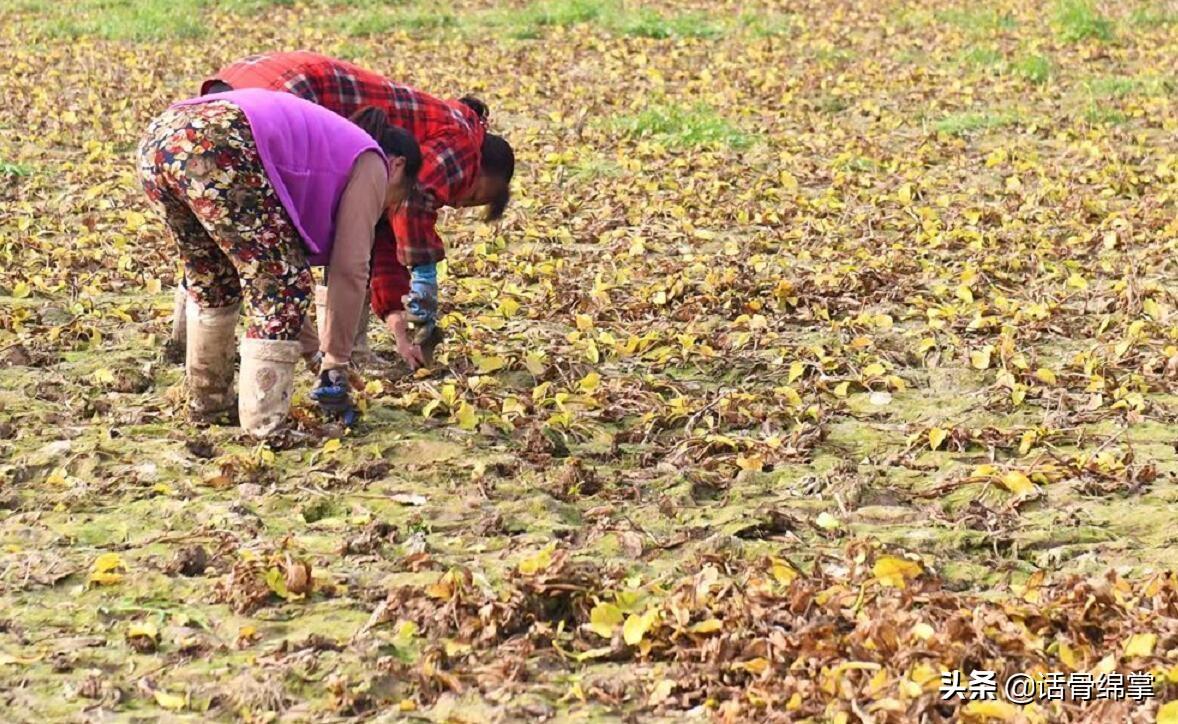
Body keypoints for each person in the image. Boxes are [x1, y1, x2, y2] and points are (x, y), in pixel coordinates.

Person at [173, 51, 516, 371]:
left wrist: (399, 327)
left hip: (237, 83)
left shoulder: (390, 171)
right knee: (276, 253)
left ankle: (185, 342)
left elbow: (379, 235)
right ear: (485, 169)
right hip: (288, 89)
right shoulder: (463, 142)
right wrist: (425, 279)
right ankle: (329, 361)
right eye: (474, 196)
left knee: (225, 223)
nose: (456, 202)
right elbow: (416, 202)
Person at [139, 88, 421, 437]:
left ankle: (208, 403)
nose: (385, 208)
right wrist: (336, 366)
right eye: (395, 200)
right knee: (283, 287)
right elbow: (349, 270)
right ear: (398, 167)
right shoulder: (373, 162)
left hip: (161, 140)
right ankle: (265, 427)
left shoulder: (329, 152)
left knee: (215, 277)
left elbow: (274, 268)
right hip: (220, 143)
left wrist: (318, 357)